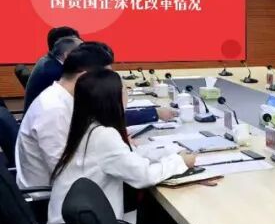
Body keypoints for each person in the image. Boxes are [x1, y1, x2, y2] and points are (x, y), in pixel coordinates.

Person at [48, 68, 195, 224]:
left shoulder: (87, 125)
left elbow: (128, 157)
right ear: (113, 99)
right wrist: (179, 161)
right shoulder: (104, 136)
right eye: (125, 90)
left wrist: (168, 153)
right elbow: (143, 176)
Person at [15, 42, 176, 189]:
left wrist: (120, 148)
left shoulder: (65, 98)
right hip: (54, 197)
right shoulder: (54, 110)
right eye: (106, 78)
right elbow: (65, 172)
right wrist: (116, 147)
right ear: (85, 76)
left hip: (78, 191)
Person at [24, 32, 81, 110]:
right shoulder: (54, 72)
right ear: (67, 55)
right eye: (82, 52)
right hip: (45, 114)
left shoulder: (48, 60)